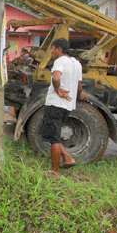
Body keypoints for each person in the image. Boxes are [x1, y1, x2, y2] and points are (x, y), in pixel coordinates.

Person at [42, 38, 84, 174]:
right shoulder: (77, 63)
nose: (52, 52)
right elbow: (79, 86)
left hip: (55, 103)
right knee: (53, 135)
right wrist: (75, 96)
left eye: (52, 48)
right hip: (67, 105)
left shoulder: (60, 61)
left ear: (59, 49)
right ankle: (67, 157)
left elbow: (56, 77)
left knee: (53, 138)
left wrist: (58, 90)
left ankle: (54, 172)